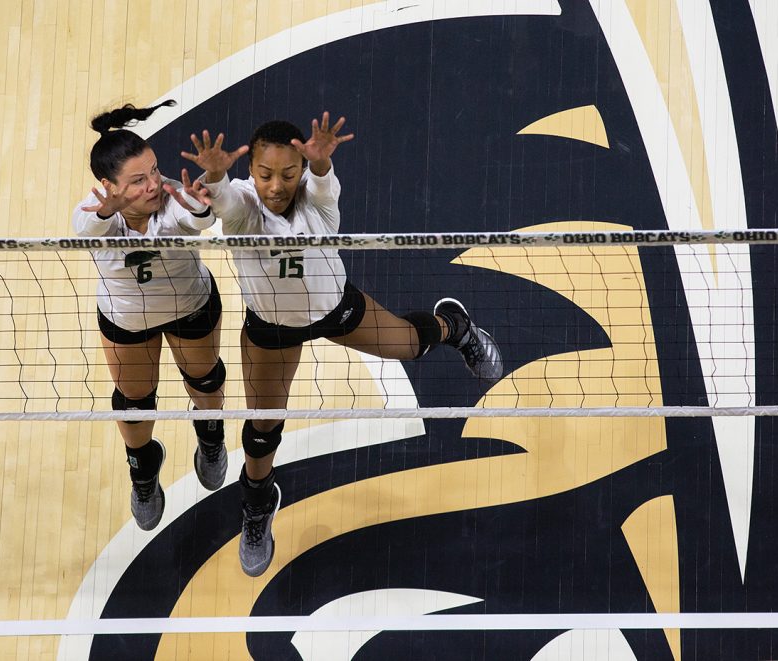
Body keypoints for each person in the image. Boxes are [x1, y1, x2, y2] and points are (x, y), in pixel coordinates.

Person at [187, 112, 503, 576]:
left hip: (337, 310)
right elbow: (225, 199)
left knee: (413, 346)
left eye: (288, 174)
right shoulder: (242, 210)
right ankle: (258, 504)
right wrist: (214, 176)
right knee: (261, 430)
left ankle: (455, 325)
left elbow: (320, 186)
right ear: (250, 172)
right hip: (272, 331)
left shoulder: (319, 205)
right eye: (265, 174)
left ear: (301, 171)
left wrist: (318, 168)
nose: (276, 185)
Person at [72, 100, 228, 532]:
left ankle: (210, 437)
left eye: (154, 171)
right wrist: (107, 211)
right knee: (135, 403)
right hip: (128, 321)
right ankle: (143, 469)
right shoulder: (93, 212)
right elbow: (87, 229)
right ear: (109, 187)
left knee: (206, 380)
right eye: (138, 180)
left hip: (190, 305)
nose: (153, 184)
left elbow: (199, 220)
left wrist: (198, 205)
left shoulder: (171, 201)